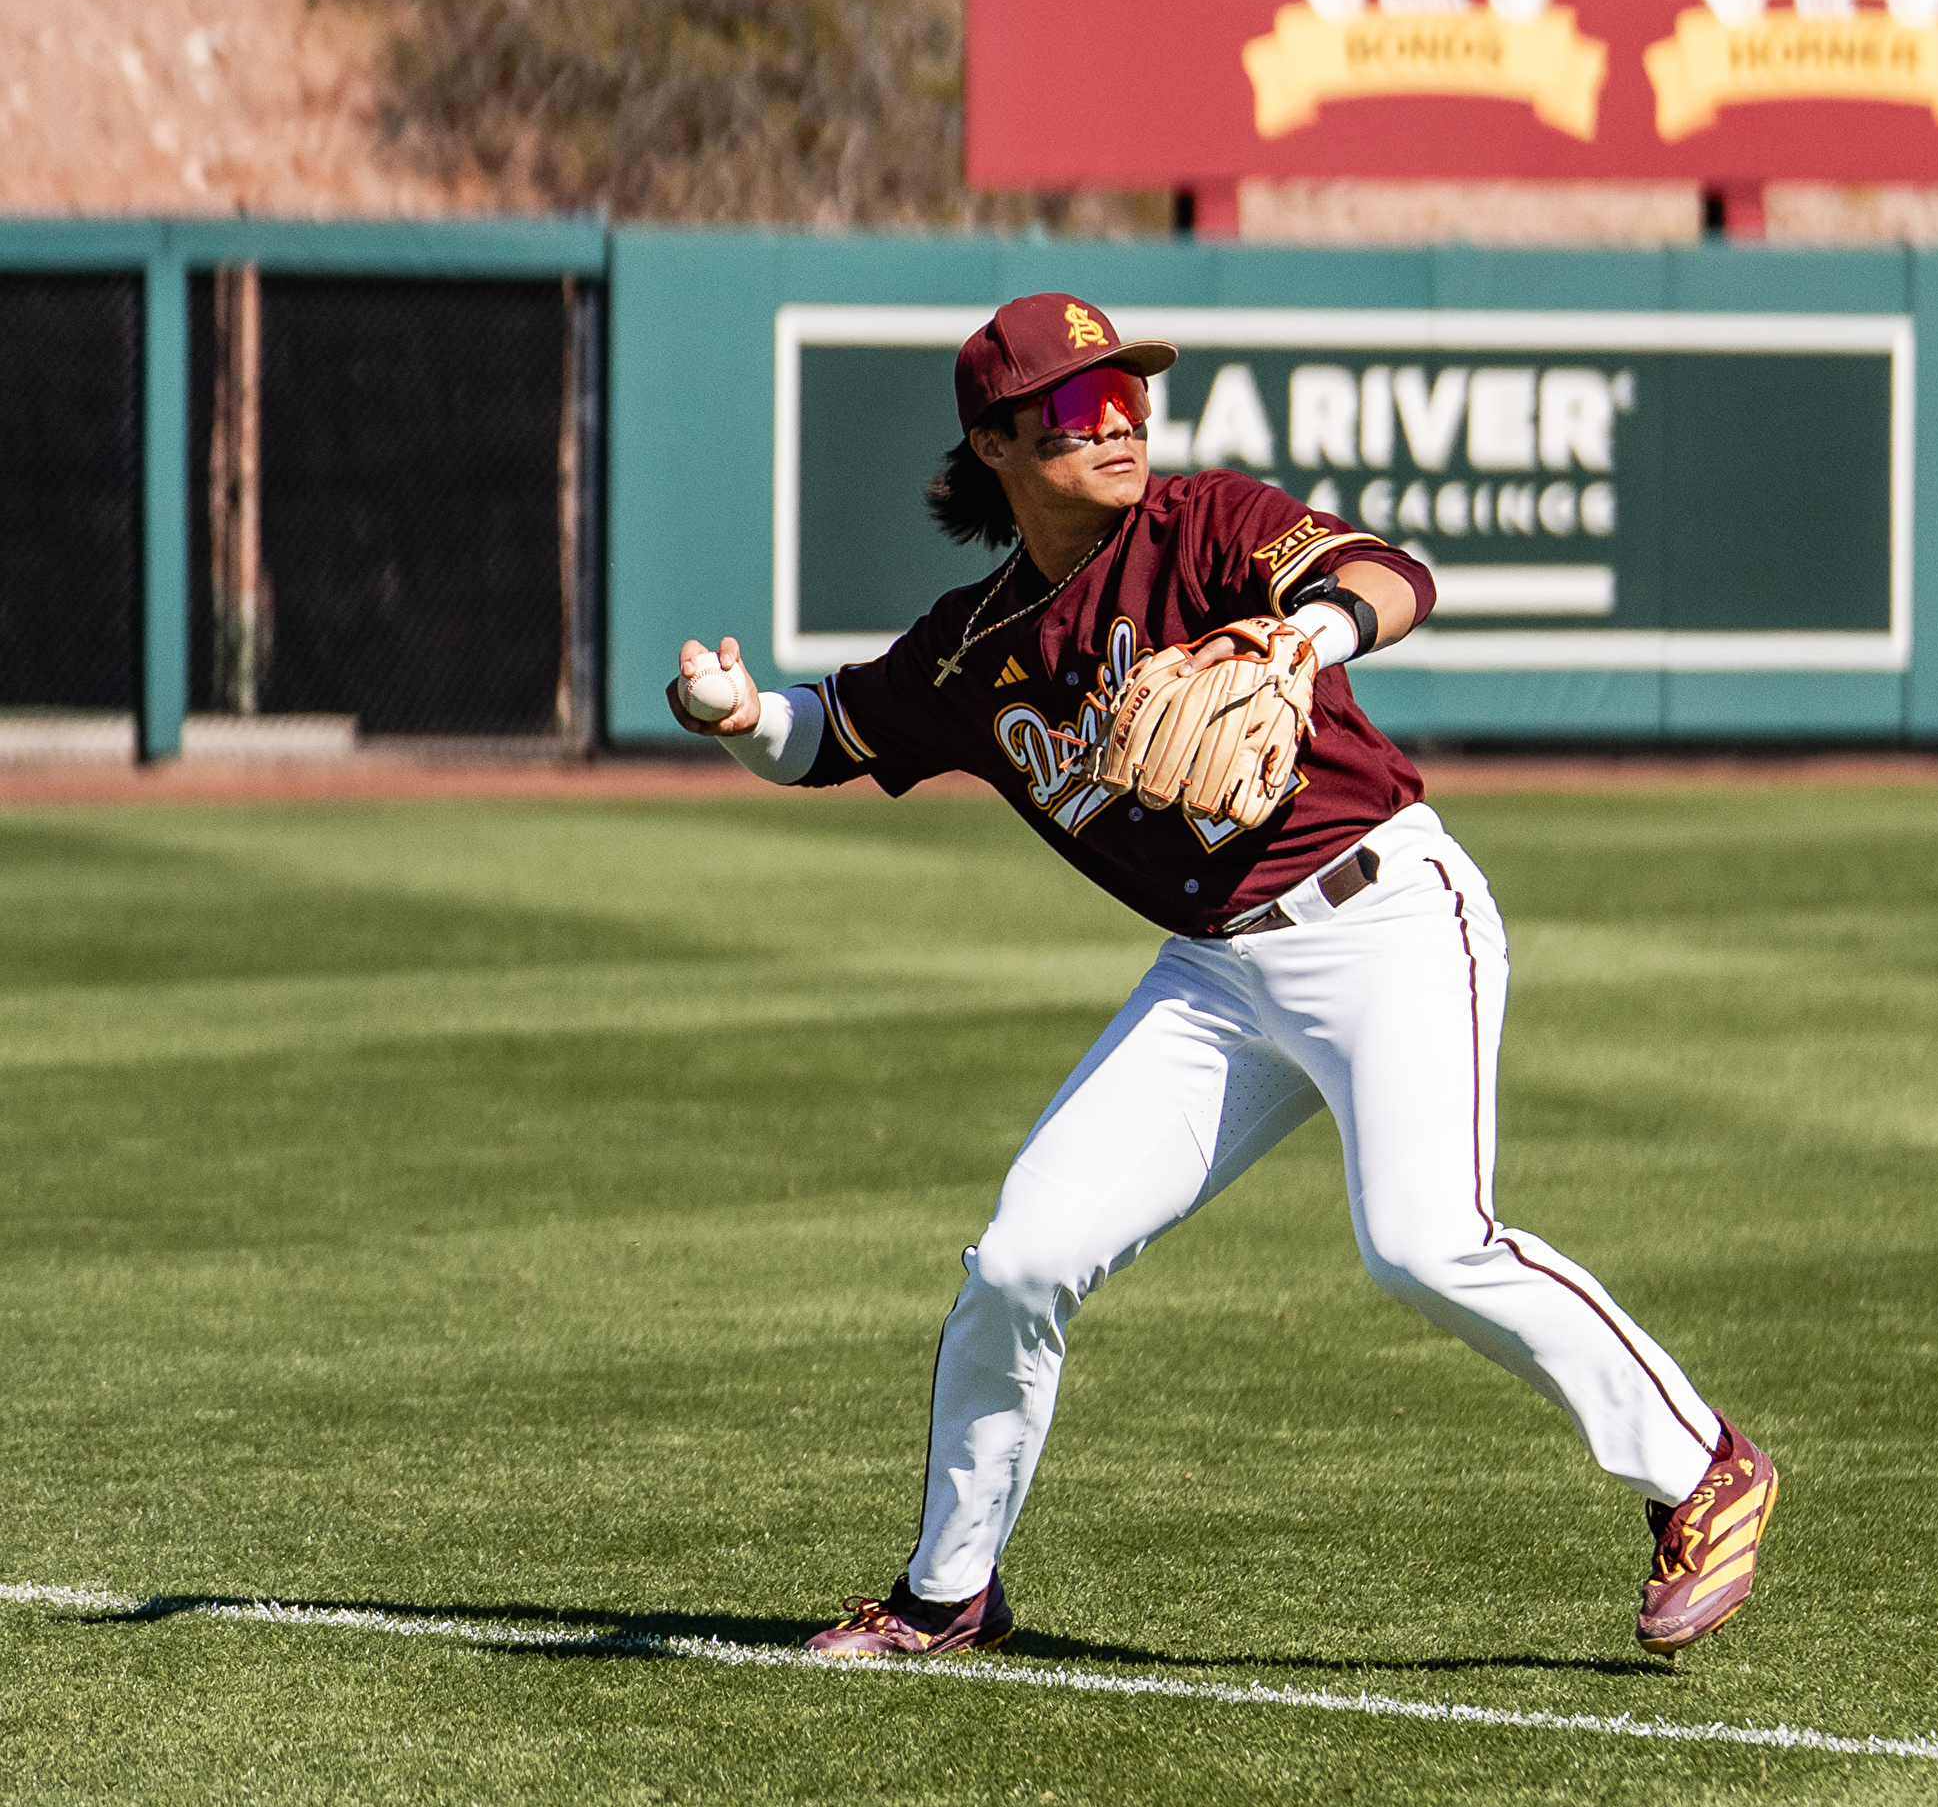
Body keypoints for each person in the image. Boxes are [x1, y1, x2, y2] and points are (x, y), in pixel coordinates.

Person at [670, 291, 1777, 1664]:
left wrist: (1305, 638)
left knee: (1426, 1243)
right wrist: (731, 720)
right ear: (1000, 445)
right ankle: (948, 1590)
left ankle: (1703, 1465)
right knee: (1020, 1260)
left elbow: (1392, 576)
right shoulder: (971, 648)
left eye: (1130, 389)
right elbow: (824, 733)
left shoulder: (1207, 526)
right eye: (1080, 405)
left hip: (1382, 917)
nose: (1119, 417)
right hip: (1215, 979)